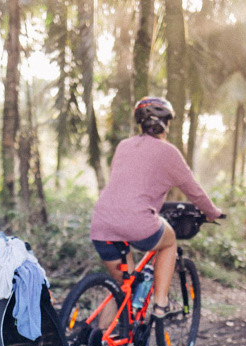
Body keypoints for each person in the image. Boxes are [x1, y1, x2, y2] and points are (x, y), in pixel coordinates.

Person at [90, 96, 223, 319]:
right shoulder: (169, 152)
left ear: (141, 124)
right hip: (138, 223)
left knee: (124, 288)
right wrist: (212, 213)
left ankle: (105, 345)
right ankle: (161, 304)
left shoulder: (124, 146)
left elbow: (123, 185)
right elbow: (194, 191)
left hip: (101, 224)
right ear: (166, 125)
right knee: (169, 241)